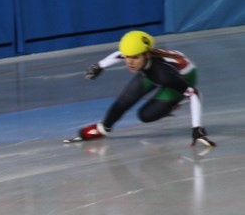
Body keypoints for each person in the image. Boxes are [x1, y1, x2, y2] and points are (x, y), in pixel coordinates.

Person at [71, 30, 215, 148]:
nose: (130, 62)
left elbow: (195, 94)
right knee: (124, 101)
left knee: (145, 116)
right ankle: (103, 128)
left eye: (135, 58)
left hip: (183, 76)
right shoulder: (142, 57)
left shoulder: (164, 74)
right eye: (128, 57)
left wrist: (197, 128)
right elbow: (119, 54)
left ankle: (173, 104)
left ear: (146, 55)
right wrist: (99, 66)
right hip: (151, 70)